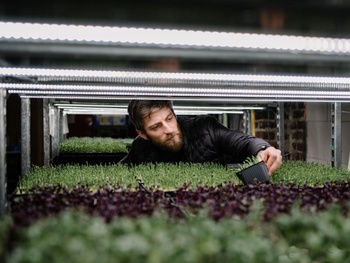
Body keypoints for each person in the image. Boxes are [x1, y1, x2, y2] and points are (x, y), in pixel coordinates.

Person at [119, 100, 282, 175]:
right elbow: (116, 172)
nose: (168, 129)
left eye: (169, 119)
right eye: (156, 127)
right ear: (142, 134)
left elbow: (244, 142)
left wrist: (264, 149)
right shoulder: (140, 147)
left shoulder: (204, 128)